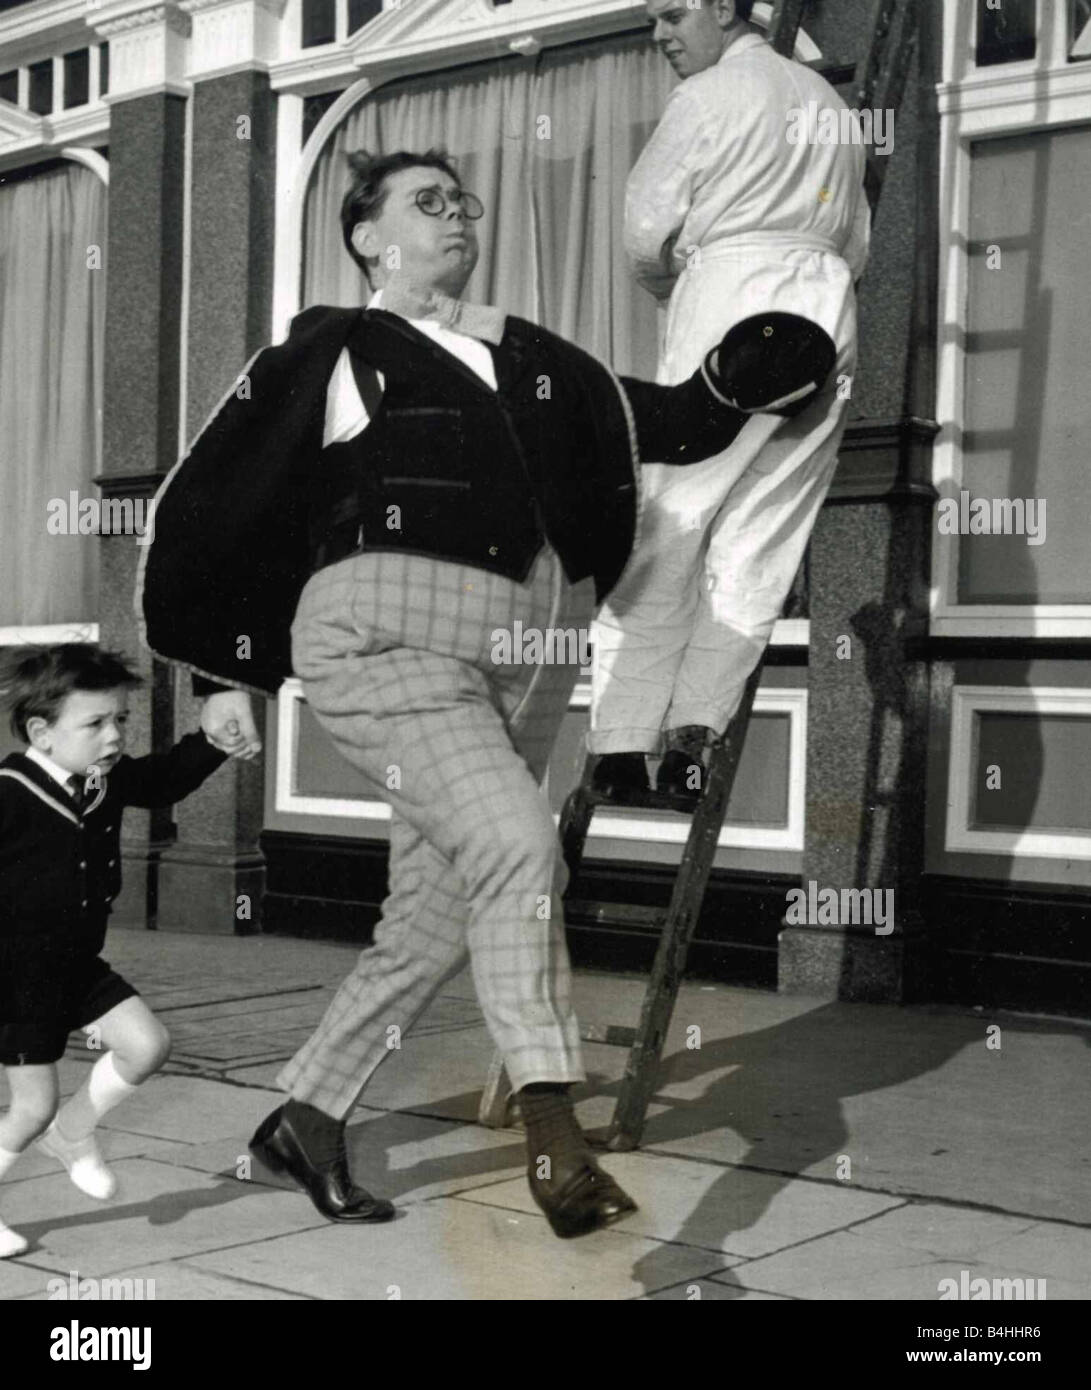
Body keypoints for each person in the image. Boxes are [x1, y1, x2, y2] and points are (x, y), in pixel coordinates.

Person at [137, 147, 834, 1239]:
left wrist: (740, 384)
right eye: (426, 201)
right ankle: (554, 1143)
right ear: (367, 236)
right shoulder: (337, 347)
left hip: (531, 648)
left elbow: (654, 423)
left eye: (462, 201)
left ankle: (307, 1116)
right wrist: (226, 670)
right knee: (517, 843)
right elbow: (232, 490)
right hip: (384, 633)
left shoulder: (532, 355)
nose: (456, 214)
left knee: (435, 910)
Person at [589, 0, 871, 799]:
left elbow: (644, 230)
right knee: (762, 537)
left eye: (673, 13)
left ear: (723, 7)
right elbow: (858, 242)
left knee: (670, 521)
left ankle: (618, 741)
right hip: (825, 311)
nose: (659, 35)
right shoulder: (833, 110)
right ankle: (692, 739)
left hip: (732, 296)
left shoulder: (706, 96)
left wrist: (677, 282)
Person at [0, 643, 229, 1258]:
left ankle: (72, 1135)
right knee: (31, 1104)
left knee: (148, 1044)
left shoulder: (103, 781)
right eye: (95, 723)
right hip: (15, 977)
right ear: (40, 733)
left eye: (119, 720)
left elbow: (162, 781)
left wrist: (213, 740)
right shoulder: (9, 794)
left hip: (76, 964)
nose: (113, 735)